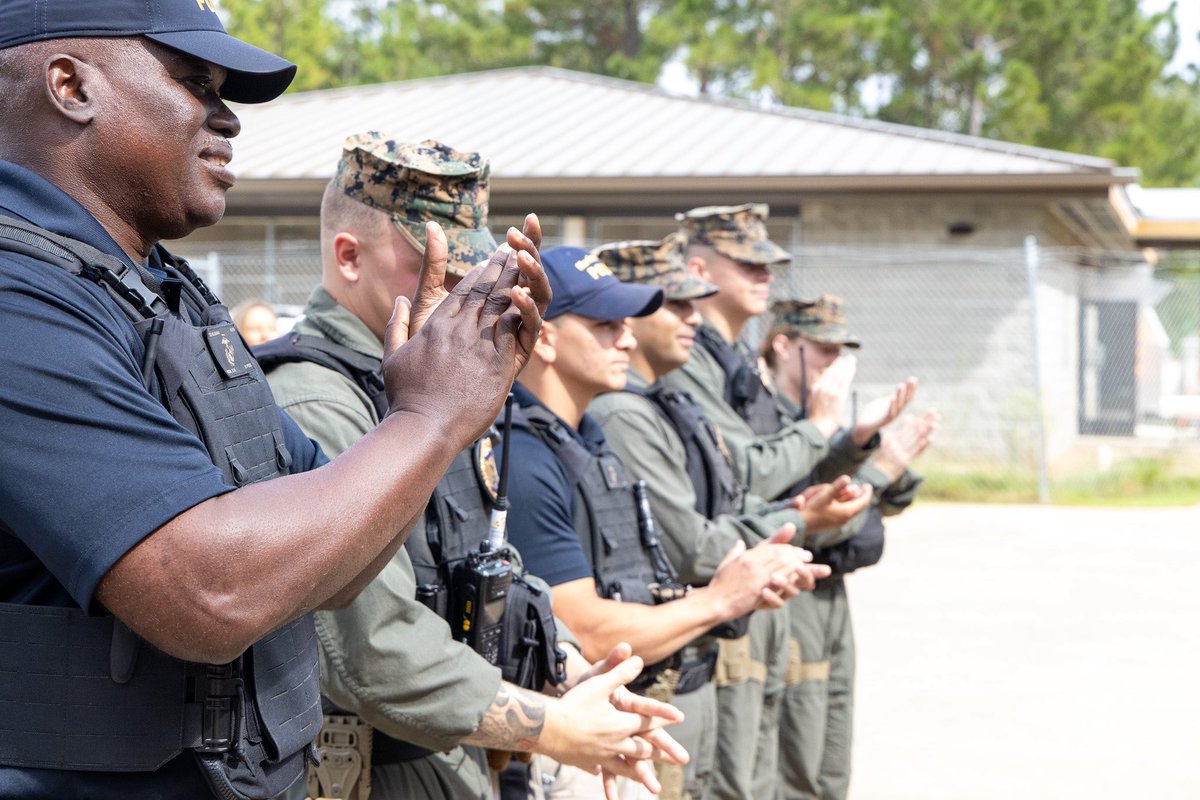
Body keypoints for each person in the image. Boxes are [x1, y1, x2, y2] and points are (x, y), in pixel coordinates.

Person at [0, 4, 670, 797]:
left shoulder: (160, 295)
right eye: (195, 83)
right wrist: (428, 419)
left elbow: (337, 559)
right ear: (71, 85)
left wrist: (431, 416)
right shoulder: (22, 300)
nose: (228, 119)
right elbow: (210, 592)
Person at [260, 133, 684, 800]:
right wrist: (557, 728)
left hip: (453, 759)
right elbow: (372, 650)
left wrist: (575, 680)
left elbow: (487, 570)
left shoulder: (434, 385)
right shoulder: (318, 403)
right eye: (441, 273)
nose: (467, 295)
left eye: (474, 271)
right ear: (348, 257)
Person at [504, 245, 829, 798]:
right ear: (547, 338)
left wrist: (747, 579)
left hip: (622, 720)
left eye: (627, 324)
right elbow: (584, 628)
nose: (626, 339)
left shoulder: (587, 438)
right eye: (605, 325)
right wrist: (719, 598)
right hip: (568, 743)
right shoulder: (525, 457)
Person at [587, 237, 873, 800]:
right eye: (675, 304)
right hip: (664, 661)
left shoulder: (666, 403)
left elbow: (731, 500)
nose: (694, 320)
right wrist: (796, 523)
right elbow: (695, 545)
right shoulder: (623, 412)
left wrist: (797, 513)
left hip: (698, 647)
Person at [759, 296, 936, 800]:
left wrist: (875, 448)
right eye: (822, 351)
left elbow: (896, 493)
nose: (835, 365)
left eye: (841, 353)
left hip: (831, 595)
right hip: (792, 596)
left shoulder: (825, 418)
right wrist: (875, 475)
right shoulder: (761, 416)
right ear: (783, 345)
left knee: (831, 751)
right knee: (797, 751)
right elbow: (799, 516)